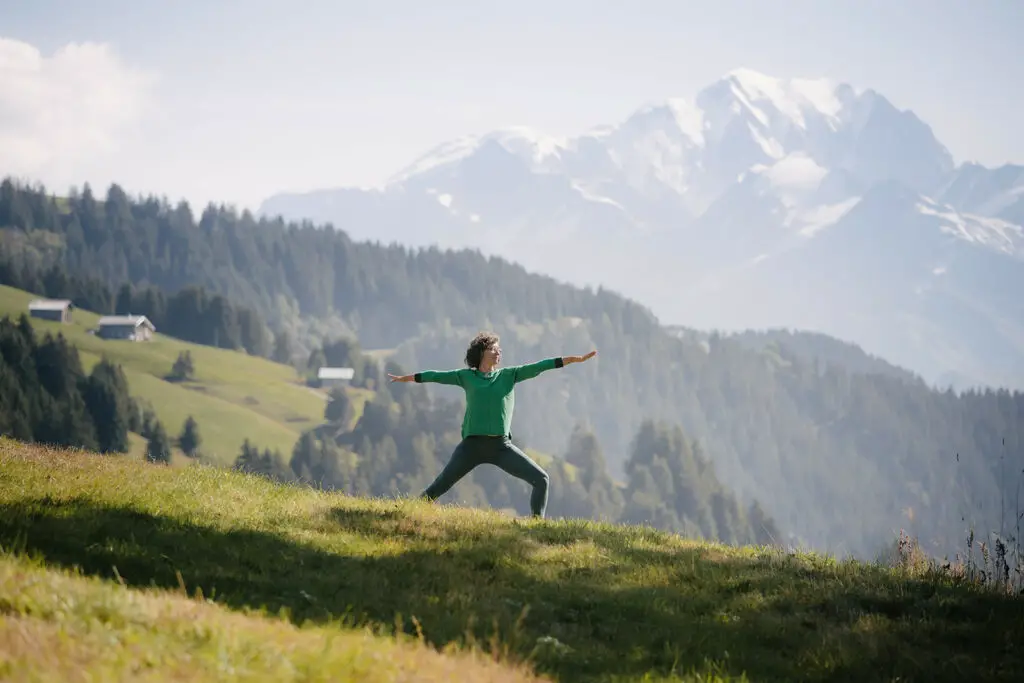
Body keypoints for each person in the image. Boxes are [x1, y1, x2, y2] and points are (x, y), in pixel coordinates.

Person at [388, 331, 597, 518]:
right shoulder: (466, 376)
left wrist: (572, 360)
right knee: (439, 486)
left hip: (501, 447)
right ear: (481, 352)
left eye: (499, 349)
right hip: (471, 447)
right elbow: (435, 376)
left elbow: (540, 366)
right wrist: (406, 378)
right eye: (494, 349)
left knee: (542, 479)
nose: (499, 352)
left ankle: (537, 526)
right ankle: (405, 514)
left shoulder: (509, 375)